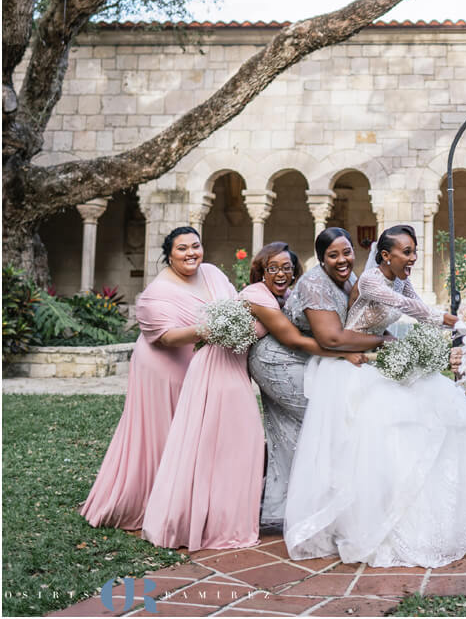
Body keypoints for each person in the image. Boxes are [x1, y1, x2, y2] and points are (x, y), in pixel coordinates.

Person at [283, 225, 466, 568]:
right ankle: (392, 521)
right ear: (386, 255)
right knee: (392, 438)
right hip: (356, 365)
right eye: (406, 251)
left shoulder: (400, 278)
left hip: (382, 356)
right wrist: (463, 323)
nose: (413, 257)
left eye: (414, 250)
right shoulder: (373, 280)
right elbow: (408, 309)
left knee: (446, 412)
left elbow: (419, 308)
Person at [80, 227, 235, 530]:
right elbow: (165, 337)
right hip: (164, 369)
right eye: (182, 248)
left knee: (199, 432)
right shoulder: (156, 293)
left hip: (199, 364)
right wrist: (211, 329)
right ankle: (157, 499)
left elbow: (234, 302)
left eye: (196, 246)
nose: (191, 253)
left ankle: (194, 498)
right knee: (166, 433)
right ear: (169, 254)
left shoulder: (213, 273)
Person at [248, 228, 377, 530]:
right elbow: (321, 339)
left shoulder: (351, 281)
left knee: (289, 433)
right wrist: (354, 350)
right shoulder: (314, 284)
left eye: (346, 252)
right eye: (333, 254)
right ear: (321, 259)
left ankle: (281, 511)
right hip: (277, 361)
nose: (342, 259)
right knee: (324, 423)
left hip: (309, 359)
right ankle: (326, 507)